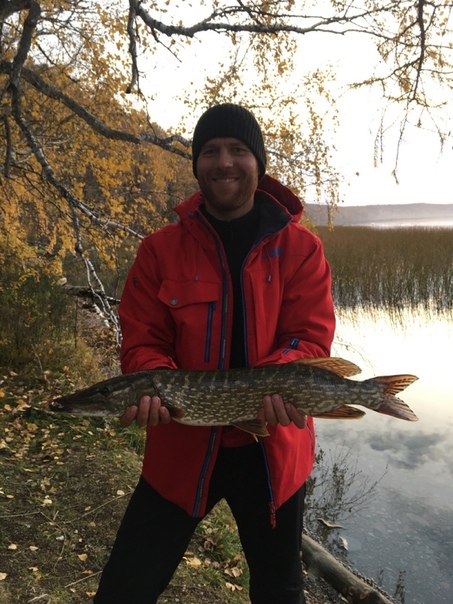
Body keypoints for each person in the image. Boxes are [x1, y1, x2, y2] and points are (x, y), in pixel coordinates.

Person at [94, 103, 336, 604]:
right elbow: (143, 340)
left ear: (258, 162)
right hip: (180, 451)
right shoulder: (160, 250)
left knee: (280, 592)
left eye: (237, 149)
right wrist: (152, 382)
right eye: (210, 151)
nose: (223, 161)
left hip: (274, 450)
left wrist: (277, 383)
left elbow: (310, 340)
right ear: (197, 165)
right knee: (123, 589)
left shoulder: (302, 250)